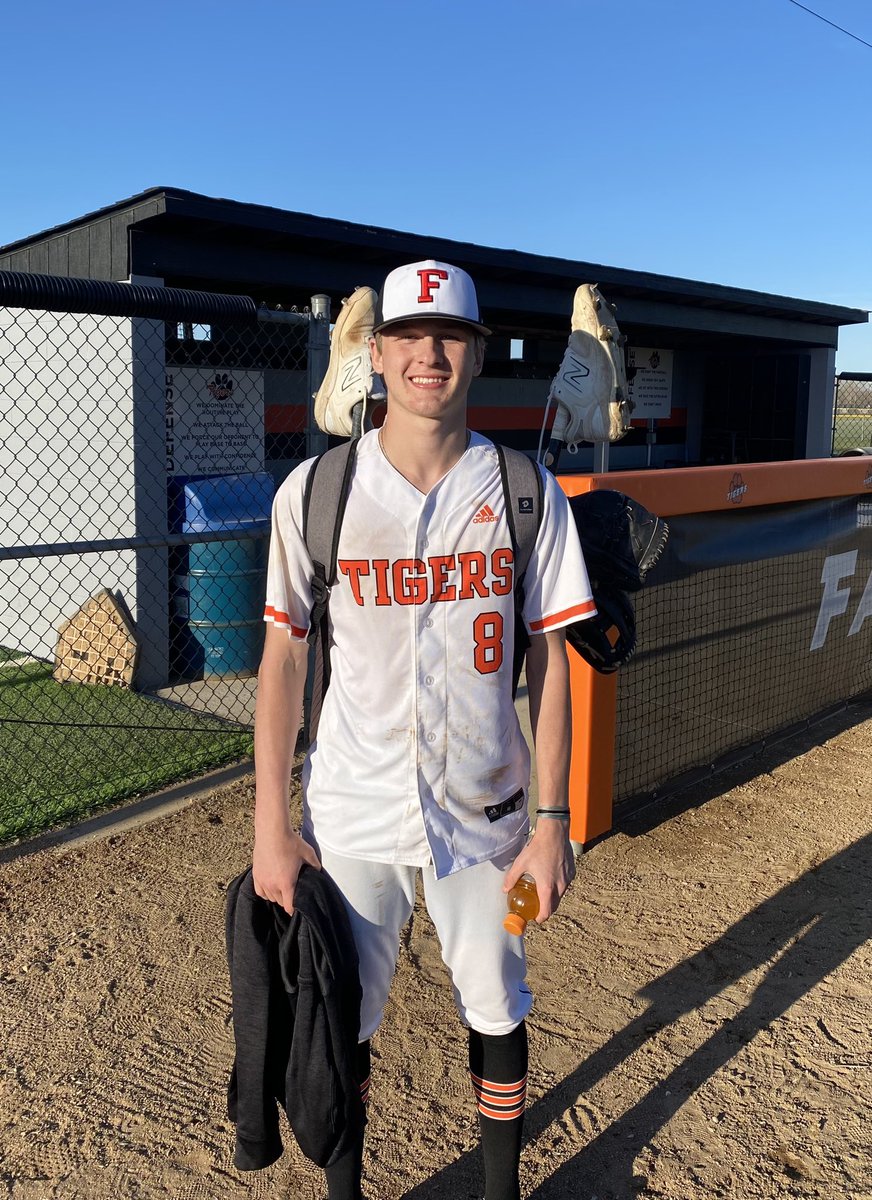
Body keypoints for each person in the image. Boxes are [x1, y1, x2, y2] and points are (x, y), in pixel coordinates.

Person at [252, 260, 595, 1200]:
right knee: (342, 1015)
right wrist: (270, 832)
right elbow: (282, 663)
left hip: (489, 817)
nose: (428, 354)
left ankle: (497, 1193)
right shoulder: (314, 495)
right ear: (377, 353)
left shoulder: (526, 494)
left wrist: (555, 824)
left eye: (450, 337)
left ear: (476, 355)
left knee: (496, 1000)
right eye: (407, 336)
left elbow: (551, 666)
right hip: (352, 810)